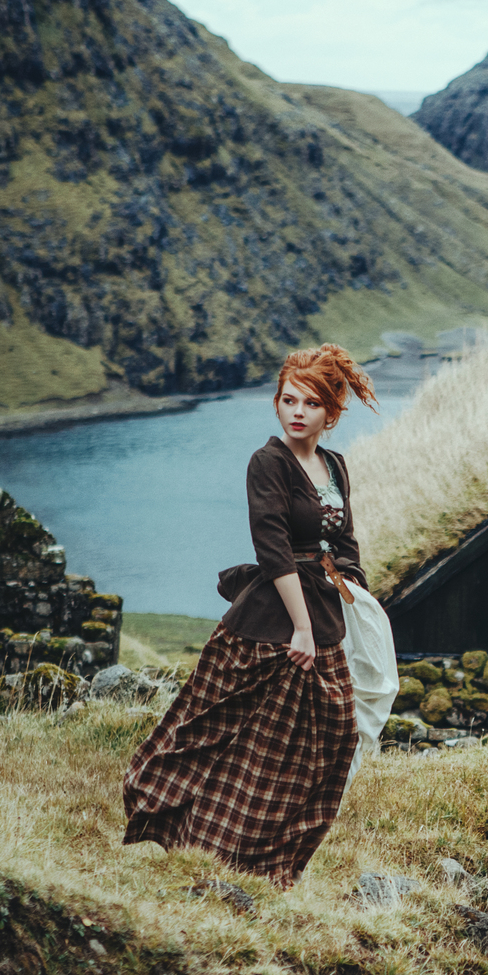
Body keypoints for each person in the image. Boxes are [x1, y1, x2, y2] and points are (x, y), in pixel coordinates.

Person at [121, 344, 383, 890]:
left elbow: (345, 540)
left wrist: (352, 584)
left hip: (325, 616)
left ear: (330, 413)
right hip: (271, 622)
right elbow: (273, 547)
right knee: (229, 737)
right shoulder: (268, 463)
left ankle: (273, 861)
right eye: (288, 399)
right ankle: (204, 845)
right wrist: (303, 629)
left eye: (310, 403)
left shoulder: (335, 466)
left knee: (327, 746)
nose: (296, 412)